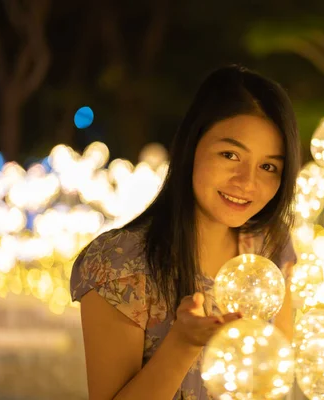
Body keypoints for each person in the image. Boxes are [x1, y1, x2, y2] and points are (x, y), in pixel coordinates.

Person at [70, 64, 300, 400]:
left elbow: (275, 380)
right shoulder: (120, 264)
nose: (247, 182)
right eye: (230, 154)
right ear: (191, 146)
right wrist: (182, 343)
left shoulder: (268, 246)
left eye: (268, 166)